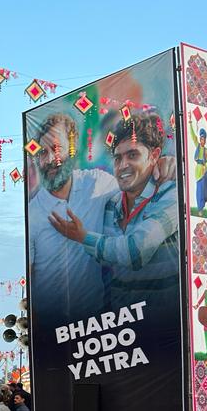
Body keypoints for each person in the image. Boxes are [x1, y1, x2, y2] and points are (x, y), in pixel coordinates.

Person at [49, 113, 179, 311]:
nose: (123, 165)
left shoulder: (170, 194)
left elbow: (135, 253)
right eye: (118, 158)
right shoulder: (112, 203)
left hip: (166, 320)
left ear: (154, 155)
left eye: (133, 155)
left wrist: (83, 237)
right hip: (120, 323)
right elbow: (105, 256)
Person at [29, 113, 117, 322]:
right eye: (43, 152)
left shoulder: (97, 184)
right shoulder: (32, 213)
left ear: (73, 150)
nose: (50, 160)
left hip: (95, 325)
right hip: (48, 329)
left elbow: (136, 188)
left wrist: (162, 165)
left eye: (57, 149)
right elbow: (28, 279)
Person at [190, 120, 207, 211]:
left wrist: (205, 166)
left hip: (203, 170)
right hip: (198, 171)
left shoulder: (206, 150)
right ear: (200, 139)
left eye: (204, 139)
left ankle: (205, 199)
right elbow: (193, 136)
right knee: (199, 189)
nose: (202, 141)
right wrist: (190, 123)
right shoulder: (197, 146)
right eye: (201, 139)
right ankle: (200, 207)